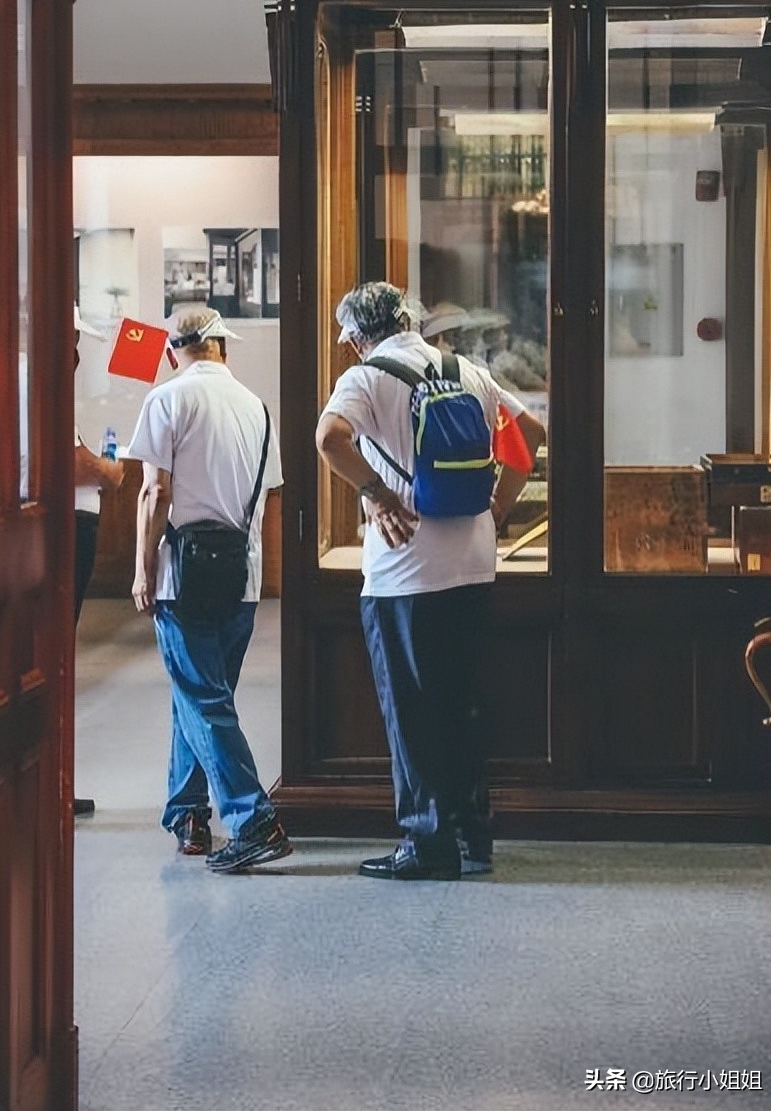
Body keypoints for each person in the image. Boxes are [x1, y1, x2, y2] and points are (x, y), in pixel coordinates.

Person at [315, 282, 544, 881]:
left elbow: (328, 439)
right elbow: (528, 442)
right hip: (473, 562)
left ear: (357, 338)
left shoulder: (365, 377)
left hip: (404, 571)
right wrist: (496, 510)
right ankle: (474, 837)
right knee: (462, 704)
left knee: (412, 711)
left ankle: (426, 844)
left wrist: (378, 494)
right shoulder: (465, 369)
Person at [127, 308, 290, 872]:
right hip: (239, 578)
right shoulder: (256, 408)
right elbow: (267, 497)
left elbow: (154, 492)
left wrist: (143, 567)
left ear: (174, 352)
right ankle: (189, 812)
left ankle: (253, 820)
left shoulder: (167, 400)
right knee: (200, 695)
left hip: (183, 576)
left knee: (202, 699)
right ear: (222, 346)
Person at [72, 305, 125, 815]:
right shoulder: (36, 381)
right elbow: (73, 462)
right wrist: (109, 473)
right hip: (67, 527)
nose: (77, 351)